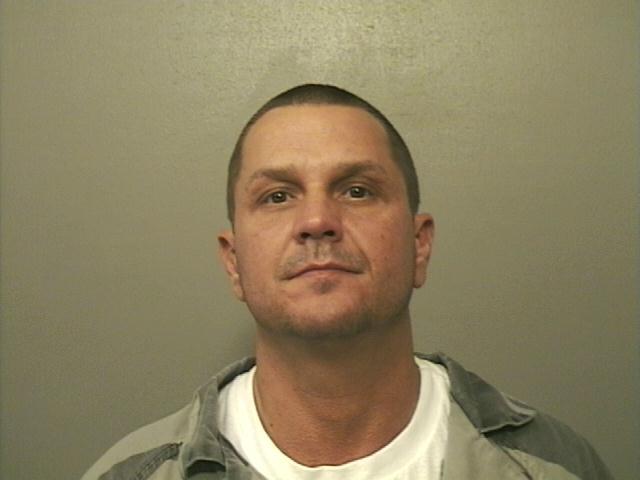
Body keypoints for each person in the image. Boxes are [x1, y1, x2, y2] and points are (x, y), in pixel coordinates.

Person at [81, 84, 613, 480]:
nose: (317, 220)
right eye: (277, 196)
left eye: (357, 191)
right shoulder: (131, 475)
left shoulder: (555, 466)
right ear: (234, 262)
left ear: (419, 244)